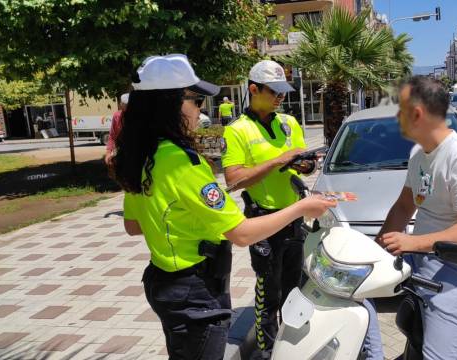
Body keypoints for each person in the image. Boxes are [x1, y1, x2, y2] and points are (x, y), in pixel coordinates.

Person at [112, 54, 335, 360]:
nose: (201, 112)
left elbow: (133, 226)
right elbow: (241, 234)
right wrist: (303, 207)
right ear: (173, 103)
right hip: (195, 290)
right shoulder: (180, 162)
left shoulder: (141, 155)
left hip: (165, 282)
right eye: (197, 101)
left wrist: (184, 219)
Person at [376, 76, 457, 359]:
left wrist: (414, 243)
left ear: (416, 114)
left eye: (400, 110)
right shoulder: (420, 154)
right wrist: (376, 249)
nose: (397, 117)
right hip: (425, 258)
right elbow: (404, 207)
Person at [221, 60, 318, 359]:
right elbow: (234, 180)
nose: (281, 97)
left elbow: (305, 163)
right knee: (269, 294)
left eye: (283, 91)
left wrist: (304, 163)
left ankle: (292, 347)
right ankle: (266, 354)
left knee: (295, 289)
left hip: (294, 218)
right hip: (263, 221)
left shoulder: (289, 123)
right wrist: (277, 161)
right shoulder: (237, 130)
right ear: (253, 89)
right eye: (274, 91)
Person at [105, 93, 129, 167]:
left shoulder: (138, 117)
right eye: (124, 104)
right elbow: (112, 136)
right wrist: (108, 152)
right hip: (120, 152)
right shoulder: (117, 116)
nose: (126, 106)